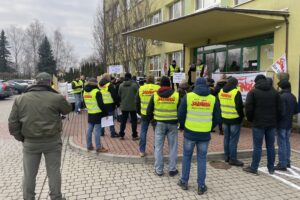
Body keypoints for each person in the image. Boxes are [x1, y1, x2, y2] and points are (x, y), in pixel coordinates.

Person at [8, 72, 72, 200]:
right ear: (50, 83)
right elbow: (67, 110)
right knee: (53, 171)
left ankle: (28, 197)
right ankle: (56, 197)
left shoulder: (20, 99)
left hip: (30, 143)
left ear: (36, 82)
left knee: (29, 174)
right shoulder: (56, 97)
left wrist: (22, 138)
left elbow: (12, 123)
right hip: (52, 141)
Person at [177, 77, 221, 195]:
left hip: (190, 133)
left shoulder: (189, 96)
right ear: (206, 85)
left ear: (195, 85)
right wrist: (209, 127)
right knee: (201, 159)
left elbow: (180, 114)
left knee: (187, 157)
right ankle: (201, 186)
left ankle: (184, 181)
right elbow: (217, 118)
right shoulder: (213, 99)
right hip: (204, 135)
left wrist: (184, 125)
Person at [243, 74, 281, 175]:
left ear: (256, 82)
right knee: (271, 146)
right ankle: (271, 168)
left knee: (257, 147)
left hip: (258, 124)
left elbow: (248, 108)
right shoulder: (275, 92)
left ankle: (254, 167)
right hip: (272, 124)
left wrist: (251, 119)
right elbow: (280, 109)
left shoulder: (253, 92)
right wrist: (276, 120)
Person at [147, 76, 180, 177]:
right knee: (173, 147)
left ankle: (159, 170)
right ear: (170, 84)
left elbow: (148, 111)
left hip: (159, 124)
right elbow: (181, 111)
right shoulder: (176, 95)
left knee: (158, 147)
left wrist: (153, 121)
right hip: (173, 124)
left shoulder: (155, 95)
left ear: (160, 84)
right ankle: (172, 169)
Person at [218, 77, 244, 166]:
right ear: (235, 84)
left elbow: (219, 104)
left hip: (224, 118)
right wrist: (242, 117)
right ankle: (233, 159)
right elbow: (239, 107)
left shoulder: (221, 91)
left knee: (226, 138)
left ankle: (227, 157)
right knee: (233, 140)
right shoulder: (236, 92)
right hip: (235, 119)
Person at [275, 80, 298, 171]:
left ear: (281, 87)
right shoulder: (293, 96)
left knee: (282, 144)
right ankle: (287, 162)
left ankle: (282, 164)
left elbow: (281, 112)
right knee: (287, 143)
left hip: (281, 123)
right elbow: (296, 110)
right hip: (289, 123)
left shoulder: (281, 97)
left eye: (279, 86)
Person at [136, 75, 160, 157]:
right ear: (153, 80)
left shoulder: (141, 88)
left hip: (144, 113)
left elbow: (137, 101)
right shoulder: (158, 88)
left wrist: (139, 112)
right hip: (155, 114)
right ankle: (156, 150)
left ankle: (142, 151)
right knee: (156, 132)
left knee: (143, 131)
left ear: (146, 80)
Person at [83, 78, 108, 152]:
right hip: (97, 113)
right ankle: (98, 147)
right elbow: (101, 104)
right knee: (97, 131)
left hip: (90, 113)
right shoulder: (97, 92)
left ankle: (89, 145)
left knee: (89, 130)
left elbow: (84, 104)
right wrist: (105, 113)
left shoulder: (84, 92)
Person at [118, 72, 139, 140]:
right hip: (133, 106)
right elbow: (138, 94)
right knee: (133, 120)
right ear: (130, 77)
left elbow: (119, 95)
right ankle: (134, 135)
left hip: (124, 106)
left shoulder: (121, 85)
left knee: (123, 121)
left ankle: (121, 134)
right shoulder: (135, 85)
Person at [99, 73, 119, 138]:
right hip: (110, 104)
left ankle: (101, 132)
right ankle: (112, 133)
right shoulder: (110, 85)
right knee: (110, 119)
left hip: (102, 104)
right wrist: (117, 103)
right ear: (108, 78)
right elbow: (114, 95)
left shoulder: (99, 85)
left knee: (103, 118)